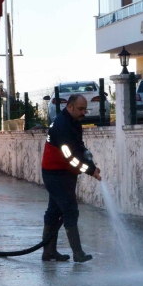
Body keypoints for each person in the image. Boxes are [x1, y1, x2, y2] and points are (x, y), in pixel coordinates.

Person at [41, 94, 101, 263]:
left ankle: (49, 252)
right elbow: (71, 157)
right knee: (70, 210)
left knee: (54, 211)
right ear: (70, 107)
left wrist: (90, 162)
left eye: (85, 109)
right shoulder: (62, 126)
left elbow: (78, 146)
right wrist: (90, 170)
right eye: (80, 109)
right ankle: (78, 253)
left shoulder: (73, 122)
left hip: (64, 173)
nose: (84, 112)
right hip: (55, 174)